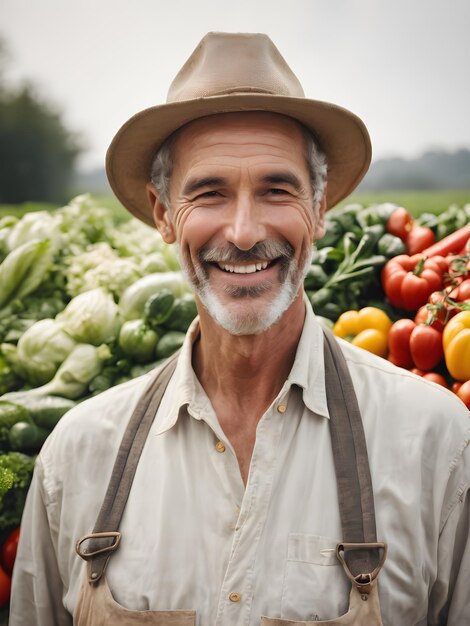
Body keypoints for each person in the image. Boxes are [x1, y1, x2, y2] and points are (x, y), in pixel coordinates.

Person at [10, 32, 470, 626]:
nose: (246, 231)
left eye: (278, 189)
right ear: (162, 214)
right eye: (209, 193)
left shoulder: (438, 446)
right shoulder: (77, 457)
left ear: (320, 207)